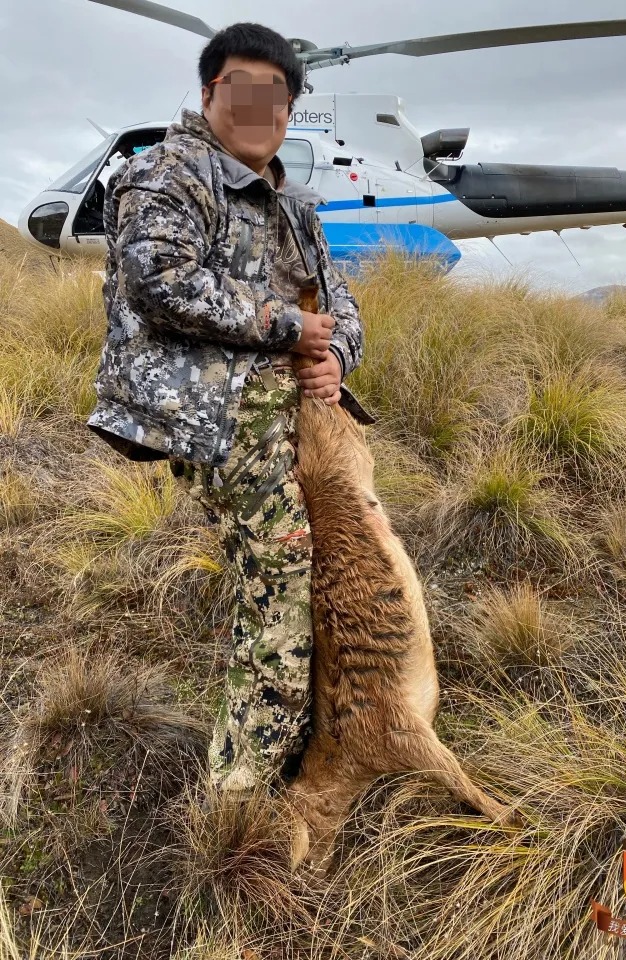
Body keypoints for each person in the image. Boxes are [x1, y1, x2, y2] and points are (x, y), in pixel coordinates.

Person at [86, 22, 371, 801]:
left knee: (327, 571)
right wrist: (288, 327)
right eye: (244, 92)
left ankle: (326, 727)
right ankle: (243, 788)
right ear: (210, 92)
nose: (262, 111)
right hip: (223, 422)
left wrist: (336, 353)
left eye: (277, 98)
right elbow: (160, 279)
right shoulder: (166, 177)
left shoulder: (295, 204)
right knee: (280, 573)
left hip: (308, 424)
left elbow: (340, 300)